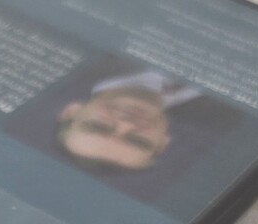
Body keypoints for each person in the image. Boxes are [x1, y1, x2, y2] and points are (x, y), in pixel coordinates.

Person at [56, 71, 200, 172]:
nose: (127, 124)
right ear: (163, 143)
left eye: (99, 126)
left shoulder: (88, 61)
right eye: (138, 140)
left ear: (72, 111)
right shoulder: (209, 119)